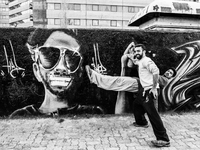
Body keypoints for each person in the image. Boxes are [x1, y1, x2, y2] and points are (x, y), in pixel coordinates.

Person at [9, 28, 104, 118]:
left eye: (71, 58)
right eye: (49, 56)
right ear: (37, 70)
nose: (61, 67)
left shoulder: (94, 113)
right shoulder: (21, 116)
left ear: (80, 72)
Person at [130, 44, 170, 147]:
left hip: (150, 91)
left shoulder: (147, 60)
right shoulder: (141, 61)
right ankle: (142, 122)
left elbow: (156, 71)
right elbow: (134, 61)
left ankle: (163, 139)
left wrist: (153, 88)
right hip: (144, 90)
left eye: (138, 51)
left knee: (153, 115)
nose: (136, 53)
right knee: (137, 105)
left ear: (144, 51)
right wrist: (131, 55)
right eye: (135, 51)